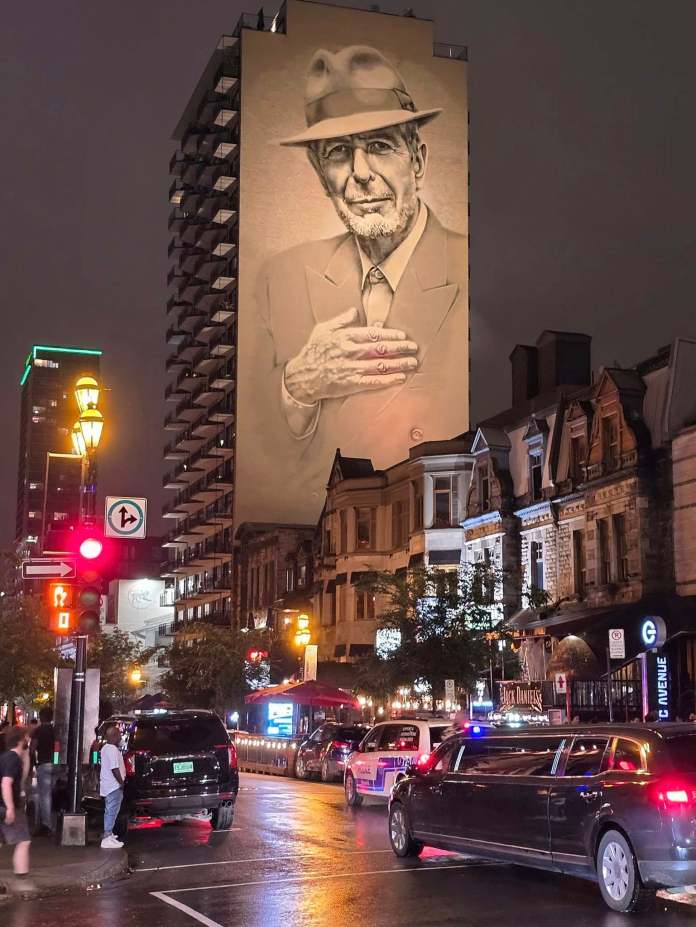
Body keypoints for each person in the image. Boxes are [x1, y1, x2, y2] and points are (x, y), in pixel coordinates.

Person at [251, 44, 467, 503]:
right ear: (319, 173)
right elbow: (261, 451)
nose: (359, 173)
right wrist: (296, 387)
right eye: (336, 153)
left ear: (419, 161)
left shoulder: (468, 270)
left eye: (379, 146)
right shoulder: (279, 278)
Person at [0, 726, 33, 885]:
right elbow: (6, 783)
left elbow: (21, 779)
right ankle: (22, 879)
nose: (29, 739)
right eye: (27, 737)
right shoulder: (12, 759)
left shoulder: (8, 757)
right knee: (23, 840)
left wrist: (26, 757)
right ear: (21, 739)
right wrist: (11, 808)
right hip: (6, 805)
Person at [99, 725, 125, 849]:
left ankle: (109, 835)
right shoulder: (112, 750)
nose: (121, 736)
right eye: (119, 734)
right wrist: (121, 783)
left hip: (108, 785)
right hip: (113, 786)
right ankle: (107, 836)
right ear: (114, 736)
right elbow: (114, 769)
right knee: (111, 811)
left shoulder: (105, 748)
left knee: (110, 810)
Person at [31, 707, 55, 836]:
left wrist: (33, 762)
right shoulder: (55, 730)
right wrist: (56, 761)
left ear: (42, 717)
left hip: (43, 763)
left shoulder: (39, 731)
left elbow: (32, 747)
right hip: (55, 765)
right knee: (48, 794)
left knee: (44, 795)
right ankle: (45, 823)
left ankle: (47, 825)